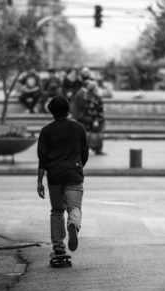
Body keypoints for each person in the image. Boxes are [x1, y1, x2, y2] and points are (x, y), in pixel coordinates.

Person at [37, 95, 89, 256]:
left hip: (54, 175)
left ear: (51, 111)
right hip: (74, 173)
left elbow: (42, 159)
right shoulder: (79, 127)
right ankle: (73, 223)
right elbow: (85, 152)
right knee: (74, 207)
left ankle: (59, 246)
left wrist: (40, 182)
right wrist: (79, 166)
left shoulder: (46, 131)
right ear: (68, 109)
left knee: (57, 211)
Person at [72, 80, 106, 155]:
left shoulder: (87, 97)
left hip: (89, 119)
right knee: (97, 135)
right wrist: (96, 120)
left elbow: (89, 109)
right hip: (94, 119)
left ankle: (88, 149)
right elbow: (97, 109)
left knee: (89, 135)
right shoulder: (95, 97)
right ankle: (97, 149)